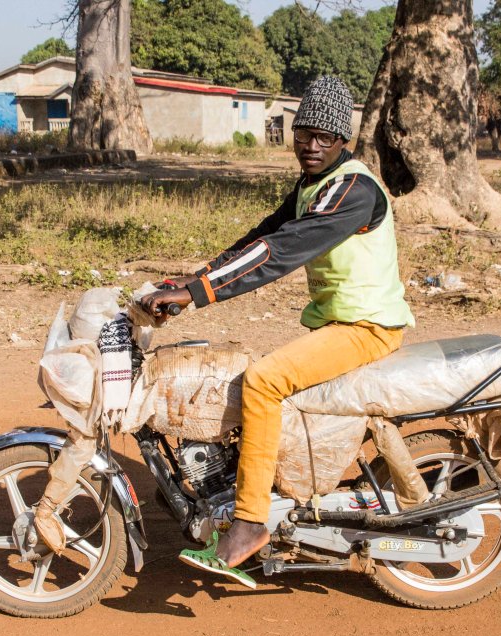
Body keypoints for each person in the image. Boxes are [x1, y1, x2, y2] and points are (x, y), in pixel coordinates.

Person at [140, 75, 414, 587]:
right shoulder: (314, 184)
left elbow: (280, 253)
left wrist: (197, 295)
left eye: (324, 138)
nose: (311, 146)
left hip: (367, 327)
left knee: (263, 382)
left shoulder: (353, 190)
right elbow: (262, 237)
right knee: (254, 379)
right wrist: (190, 282)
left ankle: (247, 525)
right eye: (303, 133)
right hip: (339, 323)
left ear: (342, 142)